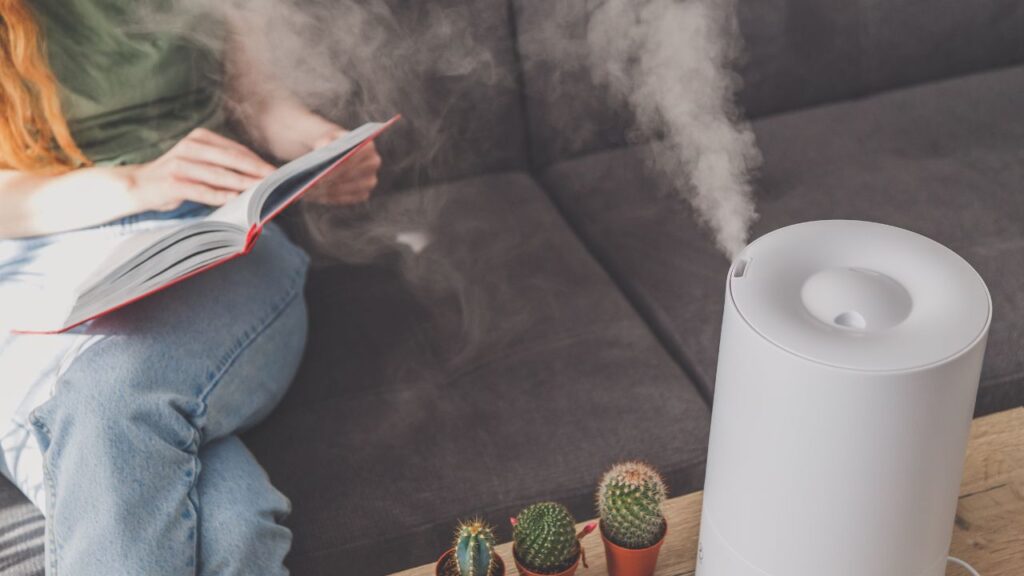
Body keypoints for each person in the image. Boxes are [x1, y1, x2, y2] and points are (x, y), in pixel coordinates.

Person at [0, 1, 382, 574]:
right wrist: (132, 182)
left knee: (107, 402)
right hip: (46, 245)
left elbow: (259, 100)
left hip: (211, 232)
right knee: (232, 533)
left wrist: (315, 145)